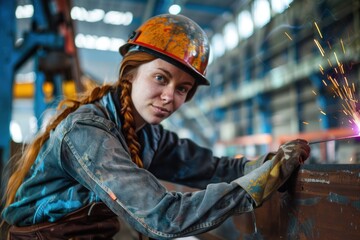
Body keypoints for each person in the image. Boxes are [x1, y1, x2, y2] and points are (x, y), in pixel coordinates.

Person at [1, 14, 310, 240]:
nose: (169, 97)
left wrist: (268, 164)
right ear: (130, 73)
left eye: (182, 89)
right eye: (161, 78)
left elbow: (213, 168)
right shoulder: (87, 133)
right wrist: (255, 187)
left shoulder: (148, 135)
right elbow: (163, 217)